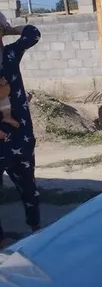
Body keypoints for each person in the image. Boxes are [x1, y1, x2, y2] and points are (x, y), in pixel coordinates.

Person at [0, 14, 42, 248]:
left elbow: (33, 33)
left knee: (28, 186)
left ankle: (37, 230)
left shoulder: (10, 54)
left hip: (20, 133)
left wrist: (9, 29)